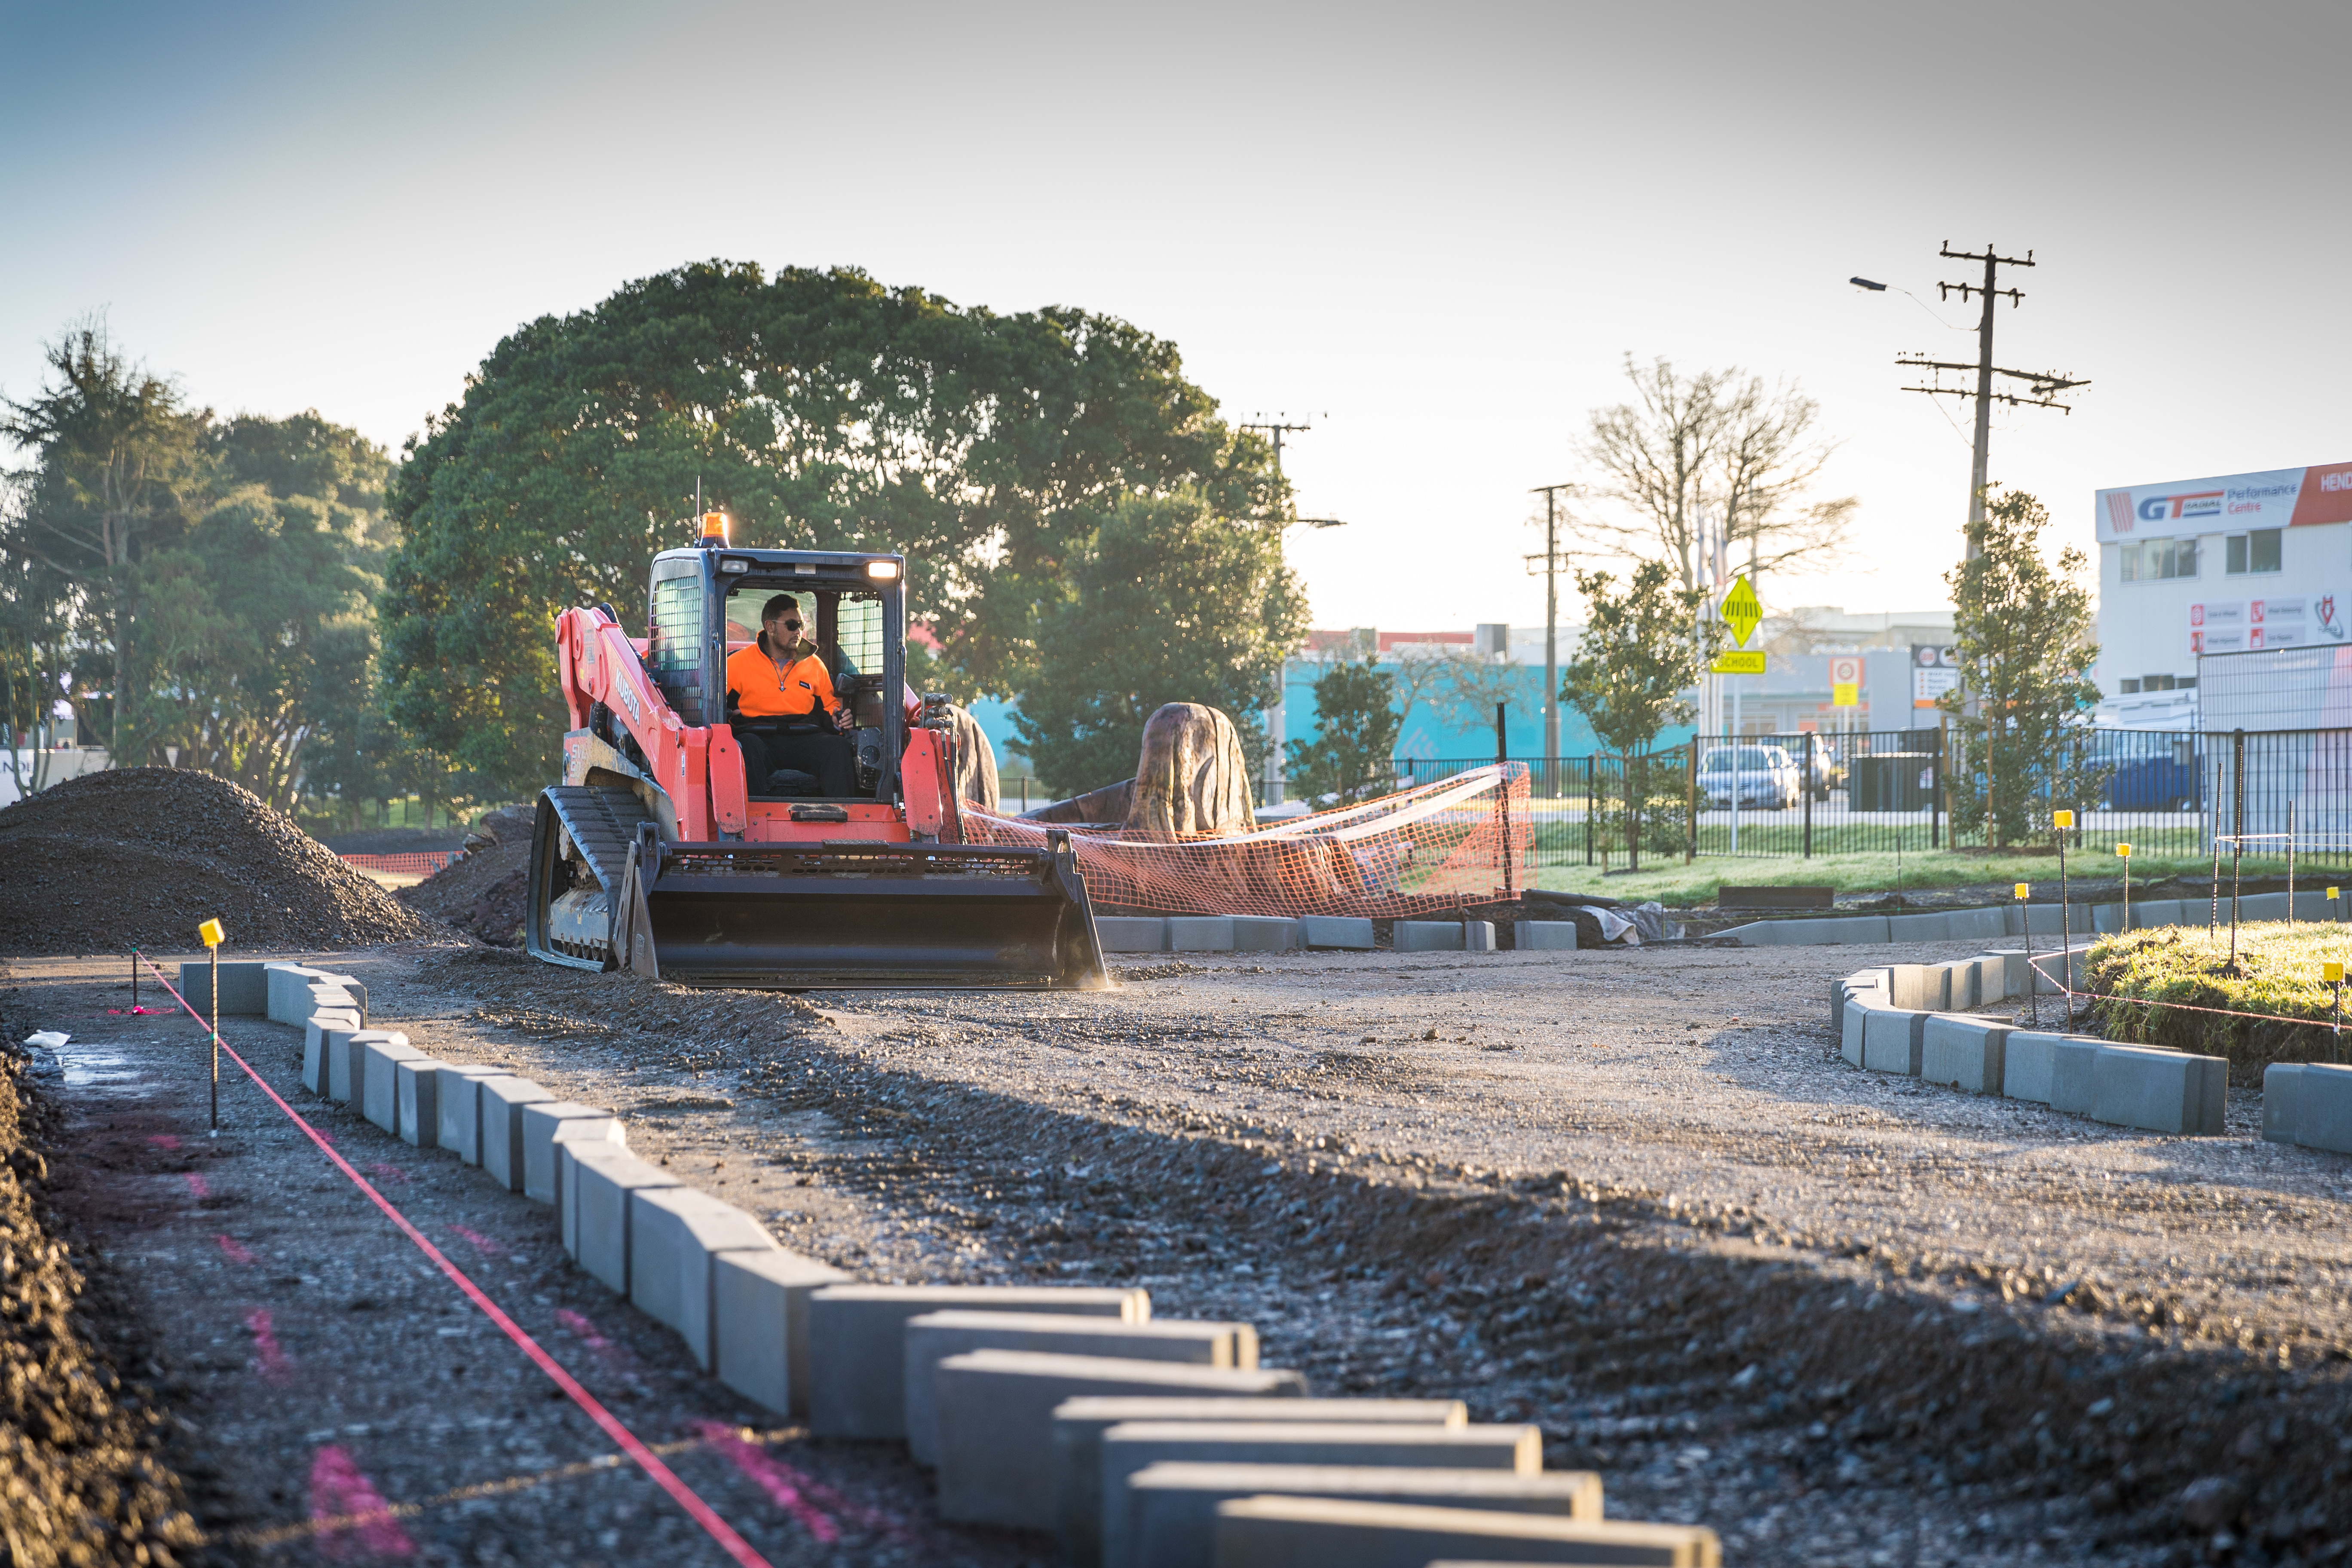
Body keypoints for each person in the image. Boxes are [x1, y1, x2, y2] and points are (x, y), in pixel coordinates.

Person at [724, 594, 856, 795]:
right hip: (758, 738)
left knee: (838, 748)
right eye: (792, 625)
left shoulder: (815, 665)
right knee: (746, 748)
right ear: (770, 627)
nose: (799, 632)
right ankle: (752, 823)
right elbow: (720, 709)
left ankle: (845, 819)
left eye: (802, 625)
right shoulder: (736, 664)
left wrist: (838, 720)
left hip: (805, 738)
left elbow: (830, 709)